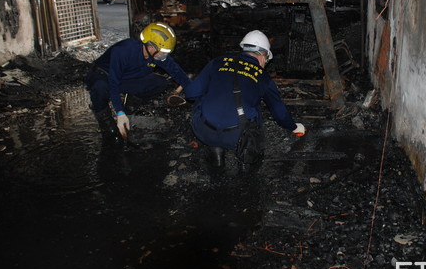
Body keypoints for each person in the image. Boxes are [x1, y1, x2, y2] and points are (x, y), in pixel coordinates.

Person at [185, 30, 307, 171]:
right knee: (254, 107)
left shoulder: (217, 62)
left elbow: (190, 93)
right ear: (263, 55)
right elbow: (279, 113)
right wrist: (294, 127)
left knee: (204, 98)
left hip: (203, 131)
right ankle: (246, 156)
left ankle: (216, 150)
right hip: (235, 137)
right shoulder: (263, 76)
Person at [85, 22, 191, 141]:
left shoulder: (156, 55)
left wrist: (196, 93)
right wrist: (119, 113)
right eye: (164, 52)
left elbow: (177, 72)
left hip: (126, 78)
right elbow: (113, 83)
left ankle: (130, 108)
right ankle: (104, 117)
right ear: (151, 47)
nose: (164, 56)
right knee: (100, 89)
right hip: (104, 76)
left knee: (159, 83)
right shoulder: (123, 51)